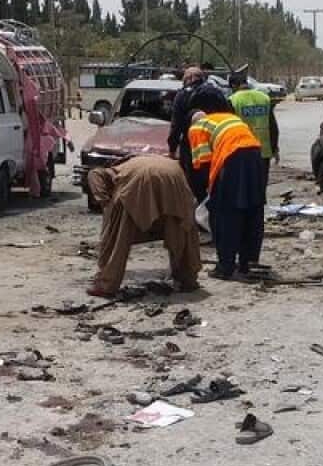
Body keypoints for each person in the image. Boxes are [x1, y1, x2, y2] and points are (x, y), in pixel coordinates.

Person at [86, 155, 201, 298]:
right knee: (181, 228)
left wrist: (105, 204)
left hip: (140, 180)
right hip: (175, 175)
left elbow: (95, 177)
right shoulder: (137, 161)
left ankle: (106, 285)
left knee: (117, 235)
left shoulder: (107, 173)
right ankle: (188, 279)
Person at [188, 89, 266, 280]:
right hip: (255, 156)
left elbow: (203, 165)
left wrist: (207, 194)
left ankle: (225, 266)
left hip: (232, 159)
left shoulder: (197, 127)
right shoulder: (231, 118)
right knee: (253, 209)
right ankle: (248, 263)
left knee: (225, 214)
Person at [228, 72, 280, 191]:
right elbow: (273, 126)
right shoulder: (264, 98)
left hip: (242, 152)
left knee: (245, 188)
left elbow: (230, 129)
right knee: (261, 187)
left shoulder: (233, 100)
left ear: (233, 86)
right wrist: (274, 148)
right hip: (264, 151)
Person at [167, 66, 209, 202]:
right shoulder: (215, 92)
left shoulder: (182, 95)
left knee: (192, 185)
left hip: (192, 147)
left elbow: (176, 126)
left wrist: (172, 149)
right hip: (215, 144)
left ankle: (198, 208)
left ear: (187, 79)